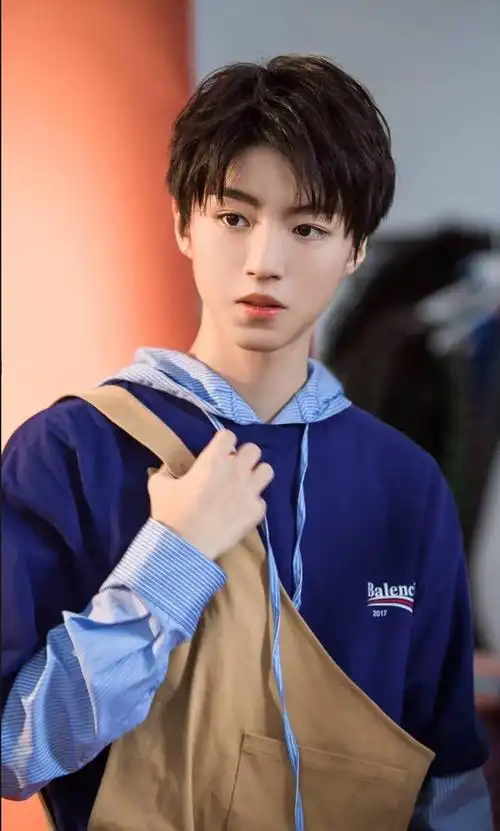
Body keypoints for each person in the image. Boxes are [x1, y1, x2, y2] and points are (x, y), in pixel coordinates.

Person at [1, 55, 493, 831]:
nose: (265, 261)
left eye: (307, 227)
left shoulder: (405, 483)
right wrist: (171, 558)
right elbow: (12, 750)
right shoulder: (72, 452)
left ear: (355, 249)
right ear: (183, 223)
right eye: (234, 218)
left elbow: (450, 780)